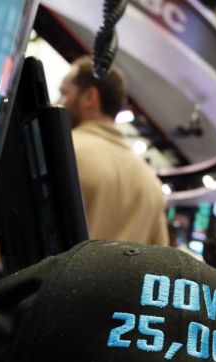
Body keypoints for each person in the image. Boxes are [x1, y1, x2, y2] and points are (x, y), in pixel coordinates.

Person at [59, 57, 169, 246]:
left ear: (90, 97)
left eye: (64, 94)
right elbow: (157, 261)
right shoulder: (151, 184)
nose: (60, 103)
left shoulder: (64, 151)